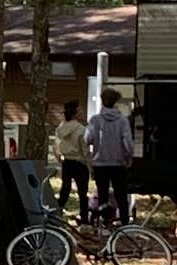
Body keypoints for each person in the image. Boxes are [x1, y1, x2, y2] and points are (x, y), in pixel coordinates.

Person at [86, 92, 136, 221]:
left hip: (100, 163)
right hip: (118, 163)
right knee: (121, 195)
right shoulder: (122, 120)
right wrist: (129, 156)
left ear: (102, 101)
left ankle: (104, 223)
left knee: (102, 195)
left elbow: (87, 139)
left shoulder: (95, 120)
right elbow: (128, 142)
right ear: (115, 103)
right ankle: (124, 223)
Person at [51, 103, 90, 215]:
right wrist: (90, 164)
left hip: (67, 162)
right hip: (80, 162)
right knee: (83, 193)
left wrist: (59, 158)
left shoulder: (60, 128)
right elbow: (85, 149)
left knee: (65, 190)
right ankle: (84, 219)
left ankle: (57, 214)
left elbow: (55, 145)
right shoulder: (81, 129)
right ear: (76, 114)